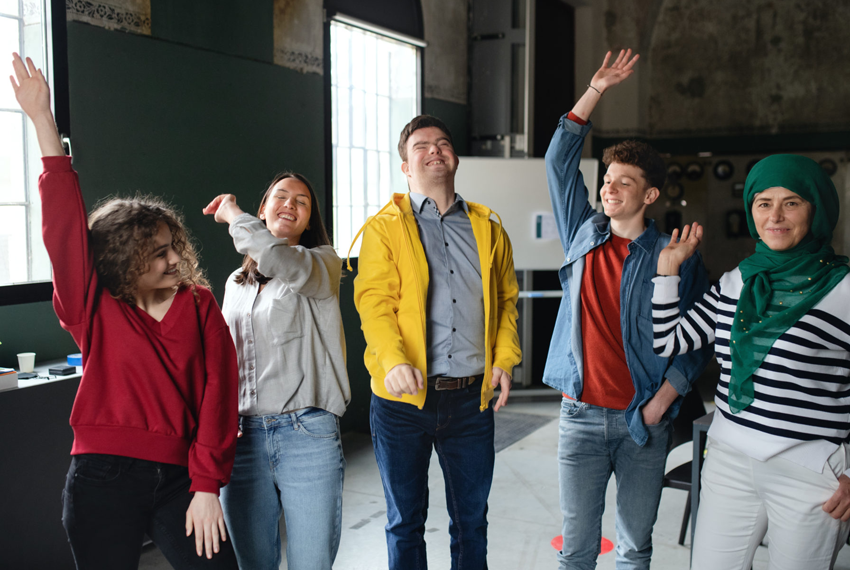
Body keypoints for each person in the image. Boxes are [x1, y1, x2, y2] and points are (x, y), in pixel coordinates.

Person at [9, 53, 239, 569]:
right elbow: (64, 230)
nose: (176, 258)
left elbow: (219, 394)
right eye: (158, 252)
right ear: (124, 259)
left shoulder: (199, 304)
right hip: (100, 479)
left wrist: (207, 485)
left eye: (174, 245)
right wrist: (45, 124)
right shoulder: (92, 306)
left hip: (183, 478)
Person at [541, 49, 712, 569]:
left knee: (635, 548)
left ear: (650, 194)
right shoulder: (582, 234)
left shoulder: (674, 256)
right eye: (607, 179)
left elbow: (698, 338)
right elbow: (558, 162)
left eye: (624, 182)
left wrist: (662, 403)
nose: (609, 188)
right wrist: (595, 90)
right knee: (577, 551)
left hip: (643, 419)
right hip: (581, 416)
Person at [652, 154, 850, 569]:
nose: (775, 215)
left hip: (809, 469)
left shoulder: (844, 288)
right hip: (728, 460)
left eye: (792, 202)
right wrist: (668, 272)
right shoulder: (735, 280)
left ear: (816, 209)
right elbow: (669, 341)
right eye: (763, 203)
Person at [350, 114, 522, 569]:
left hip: (471, 400)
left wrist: (504, 360)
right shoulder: (383, 228)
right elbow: (374, 302)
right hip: (401, 402)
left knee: (471, 520)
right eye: (421, 146)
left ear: (455, 157)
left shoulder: (489, 228)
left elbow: (506, 301)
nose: (434, 150)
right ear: (406, 166)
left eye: (442, 143)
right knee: (405, 520)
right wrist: (392, 359)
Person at [202, 174, 350, 570]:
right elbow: (223, 358)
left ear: (308, 220)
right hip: (244, 438)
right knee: (253, 563)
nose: (290, 204)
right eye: (280, 197)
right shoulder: (236, 282)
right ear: (264, 208)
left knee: (311, 563)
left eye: (301, 202)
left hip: (308, 434)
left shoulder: (322, 264)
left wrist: (233, 214)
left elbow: (279, 259)